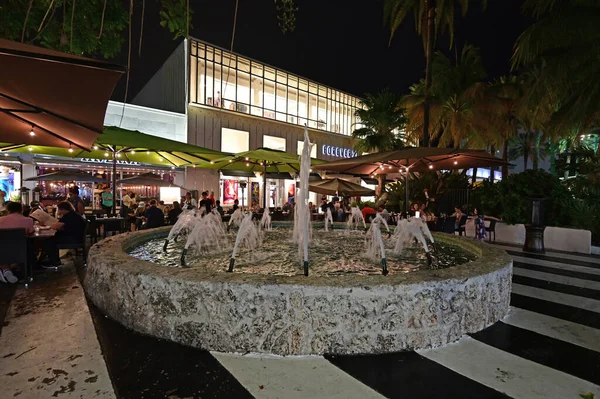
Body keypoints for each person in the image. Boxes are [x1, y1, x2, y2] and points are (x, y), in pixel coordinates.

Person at [43, 201, 87, 267]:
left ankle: (54, 262)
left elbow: (56, 226)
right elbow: (68, 227)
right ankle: (54, 260)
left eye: (59, 210)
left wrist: (46, 224)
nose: (59, 212)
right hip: (76, 237)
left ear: (63, 209)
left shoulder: (68, 216)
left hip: (73, 239)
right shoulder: (73, 214)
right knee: (52, 239)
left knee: (49, 241)